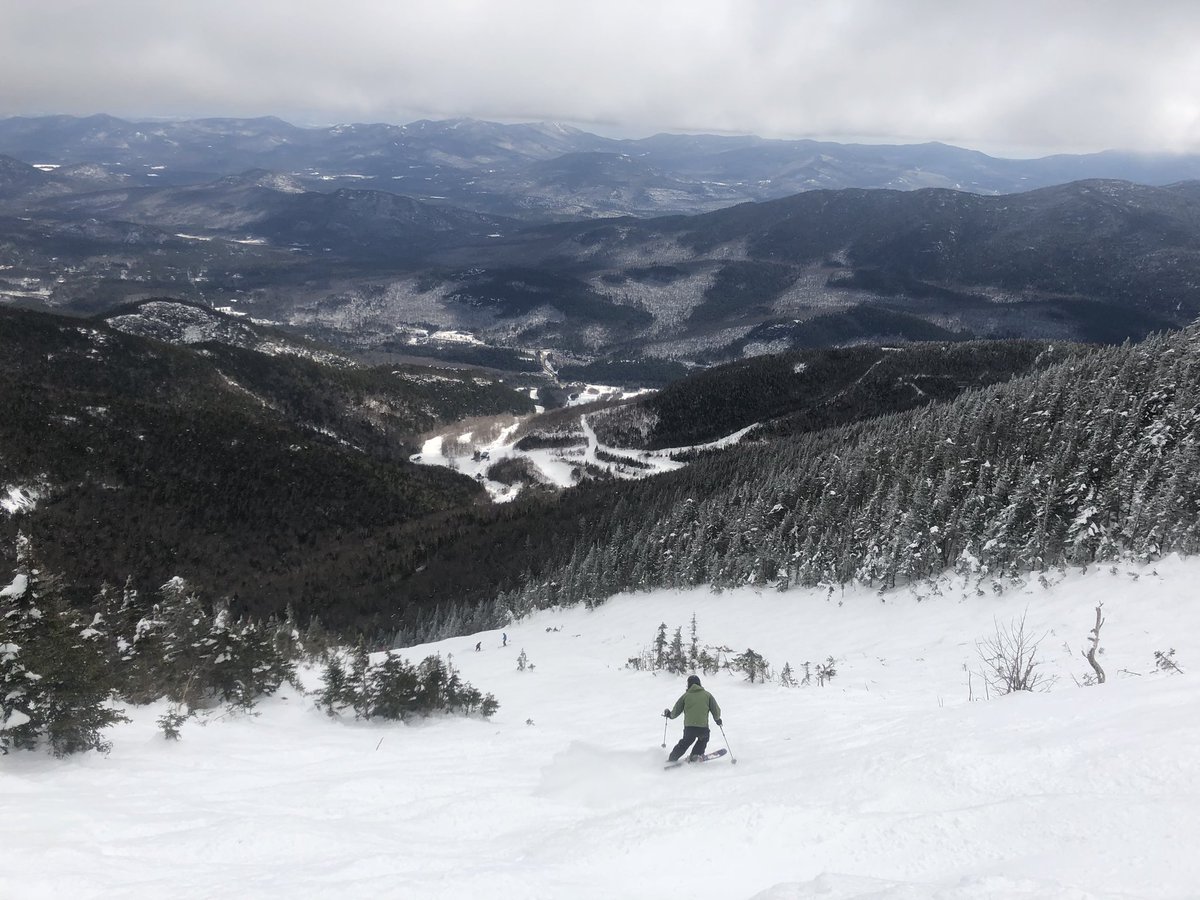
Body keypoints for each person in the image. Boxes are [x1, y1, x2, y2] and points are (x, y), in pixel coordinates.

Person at [662, 674, 722, 762]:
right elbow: (715, 709)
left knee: (685, 742)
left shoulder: (685, 696)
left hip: (689, 727)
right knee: (703, 739)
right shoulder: (707, 695)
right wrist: (717, 719)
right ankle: (695, 755)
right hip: (702, 726)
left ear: (688, 684)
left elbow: (676, 711)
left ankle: (672, 758)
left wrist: (670, 715)